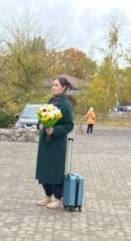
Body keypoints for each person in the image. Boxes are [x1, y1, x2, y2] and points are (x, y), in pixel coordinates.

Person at [35, 77, 74, 209]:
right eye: (52, 85)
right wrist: (40, 124)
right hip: (45, 141)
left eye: (56, 85)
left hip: (57, 143)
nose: (53, 87)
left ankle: (58, 198)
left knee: (55, 170)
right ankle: (48, 196)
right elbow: (43, 116)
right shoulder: (50, 101)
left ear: (63, 88)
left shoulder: (66, 105)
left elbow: (69, 125)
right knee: (44, 168)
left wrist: (54, 130)